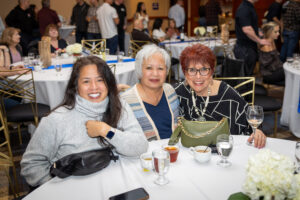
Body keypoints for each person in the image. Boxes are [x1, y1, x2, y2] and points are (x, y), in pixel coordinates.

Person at [20, 56, 148, 187]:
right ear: (75, 86)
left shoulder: (119, 106)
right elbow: (31, 164)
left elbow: (140, 146)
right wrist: (57, 191)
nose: (94, 87)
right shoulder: (57, 119)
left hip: (115, 183)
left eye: (100, 80)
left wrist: (106, 131)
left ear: (108, 83)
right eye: (86, 81)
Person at [175, 44, 266, 148]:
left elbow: (250, 119)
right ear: (185, 73)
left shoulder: (228, 95)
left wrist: (258, 131)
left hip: (223, 155)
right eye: (192, 70)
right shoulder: (178, 93)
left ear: (212, 72)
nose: (198, 76)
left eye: (204, 69)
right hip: (188, 156)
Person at [121, 44, 179, 141]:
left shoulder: (170, 91)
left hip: (174, 152)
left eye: (160, 68)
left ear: (167, 71)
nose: (155, 74)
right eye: (149, 68)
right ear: (139, 70)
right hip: (142, 155)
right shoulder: (125, 101)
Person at [234, 0, 270, 76]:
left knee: (248, 74)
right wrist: (259, 41)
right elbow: (247, 29)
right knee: (245, 76)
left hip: (248, 48)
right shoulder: (244, 8)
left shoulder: (249, 7)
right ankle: (246, 88)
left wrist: (257, 32)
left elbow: (249, 26)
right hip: (245, 49)